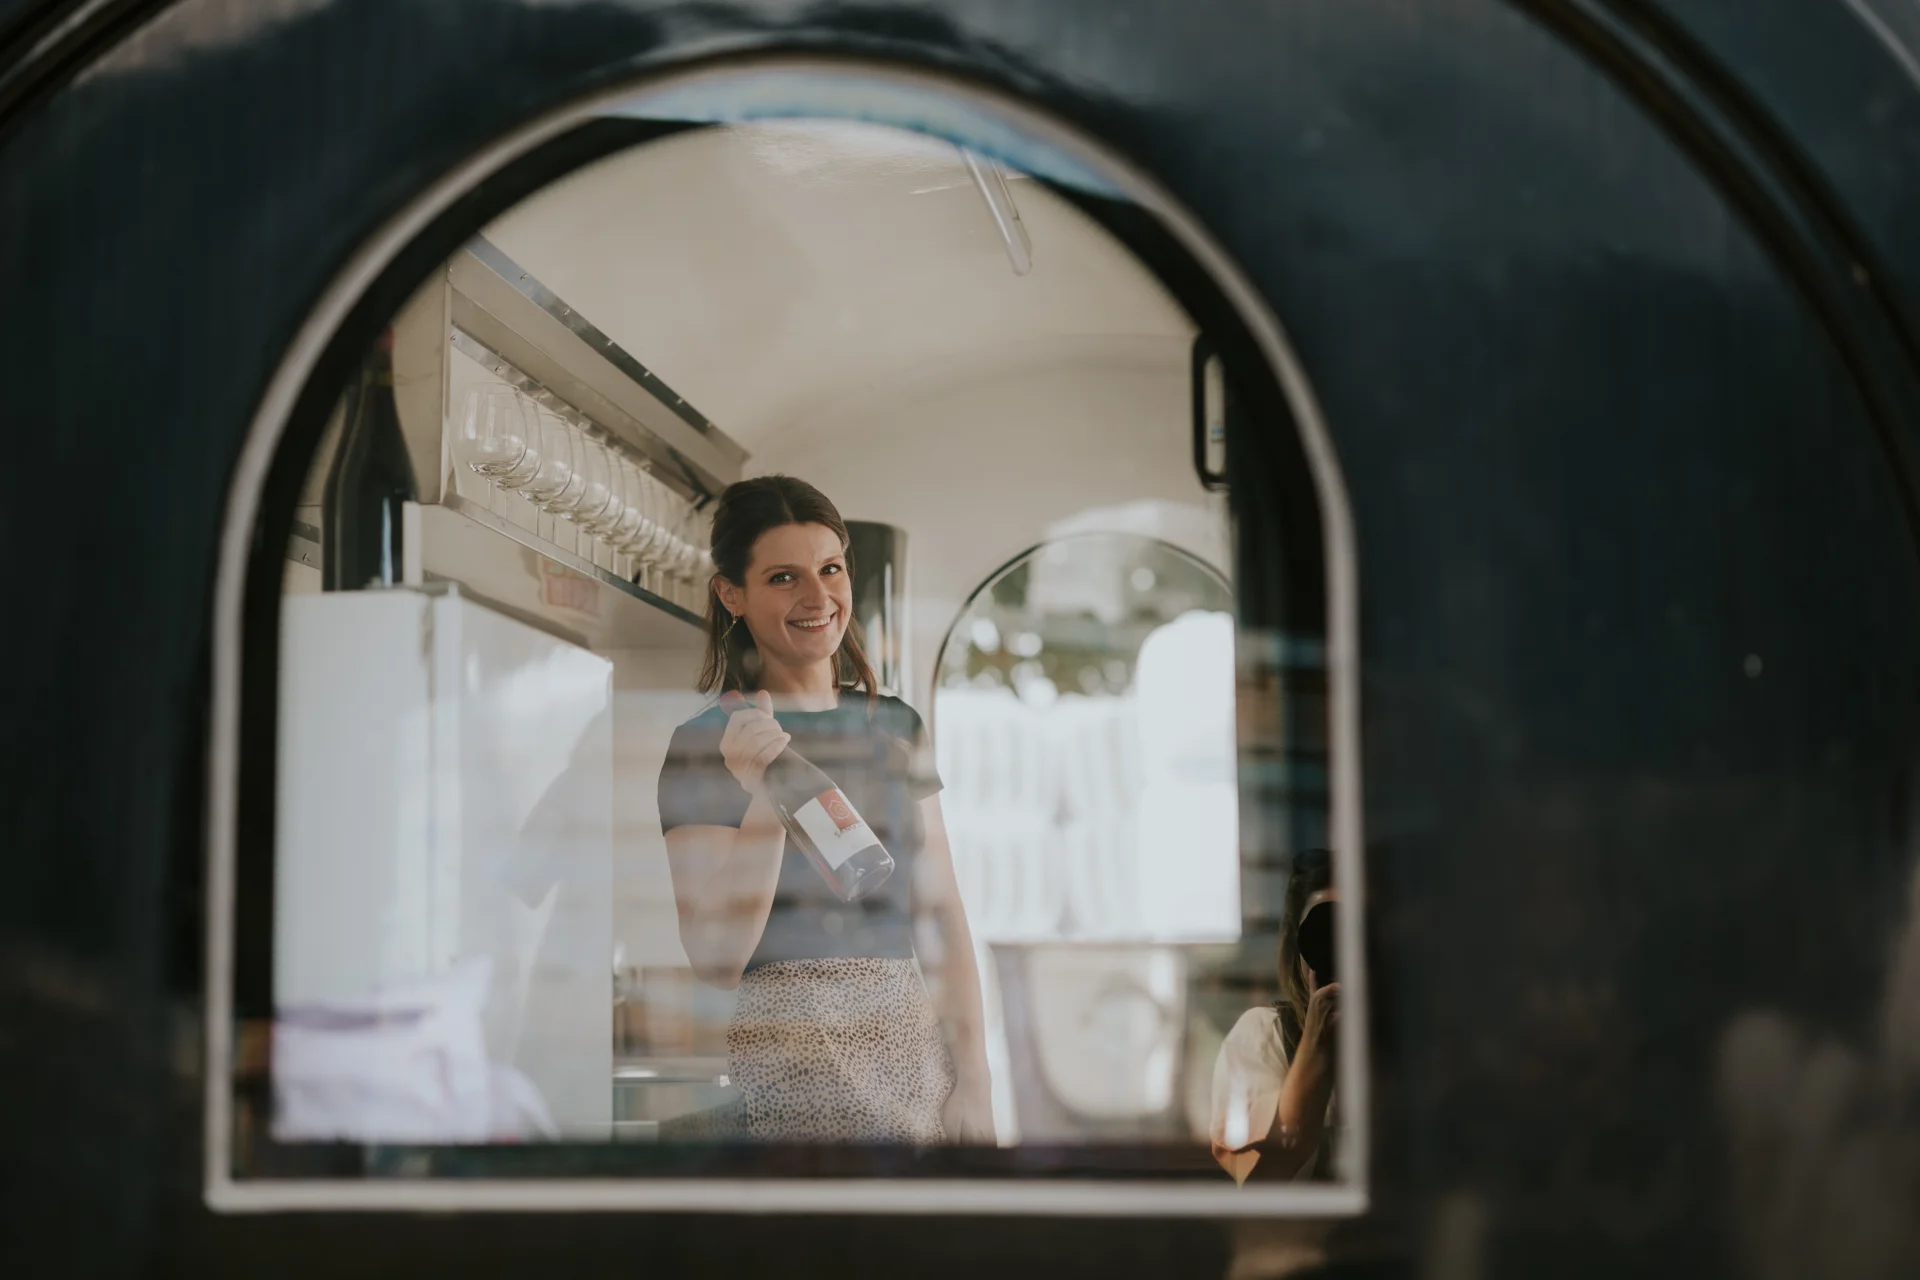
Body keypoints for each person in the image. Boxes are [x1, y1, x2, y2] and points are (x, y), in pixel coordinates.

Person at [656, 475, 994, 1144]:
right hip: (792, 1055)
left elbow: (942, 917)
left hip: (912, 1046)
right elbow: (716, 959)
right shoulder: (705, 743)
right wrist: (766, 794)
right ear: (732, 595)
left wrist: (977, 1079)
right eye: (784, 577)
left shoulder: (897, 726)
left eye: (830, 569)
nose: (817, 597)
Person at [1209, 847, 1339, 1182]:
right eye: (1324, 930)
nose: (1341, 946)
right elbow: (1264, 1175)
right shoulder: (1264, 1036)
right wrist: (1316, 1040)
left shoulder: (1412, 1039)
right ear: (1297, 945)